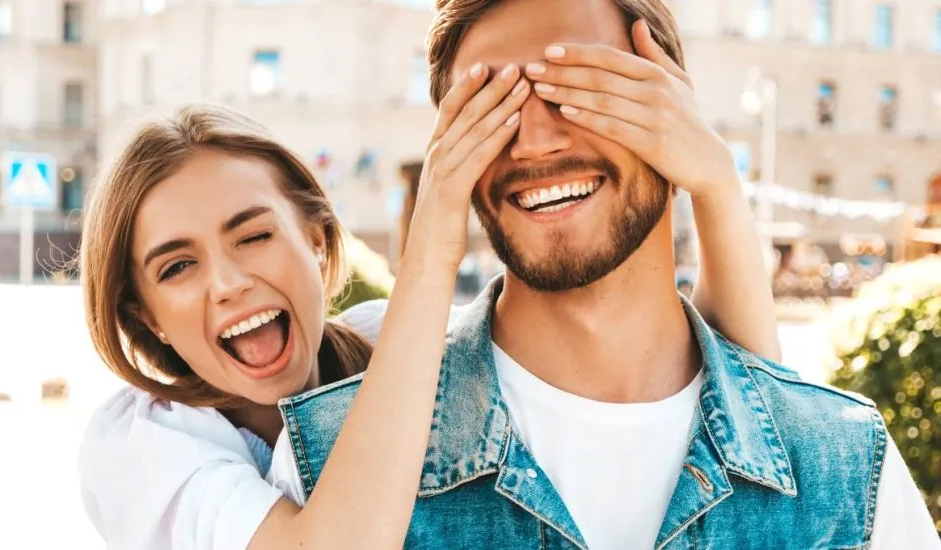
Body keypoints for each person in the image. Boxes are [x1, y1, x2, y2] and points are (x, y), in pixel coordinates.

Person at [266, 0, 941, 548]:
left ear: (673, 113)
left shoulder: (847, 467)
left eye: (578, 90)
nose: (535, 141)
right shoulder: (326, 467)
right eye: (491, 108)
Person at [77, 63, 785, 550]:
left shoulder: (390, 346)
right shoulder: (139, 446)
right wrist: (436, 232)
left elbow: (744, 395)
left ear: (318, 242)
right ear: (146, 317)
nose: (227, 283)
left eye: (254, 236)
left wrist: (715, 183)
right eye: (177, 267)